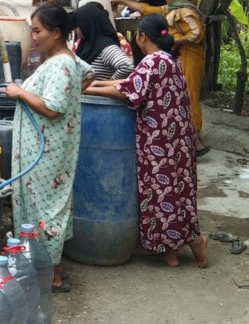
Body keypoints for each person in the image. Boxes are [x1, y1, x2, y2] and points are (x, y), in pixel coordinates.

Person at [84, 14, 208, 268]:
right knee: (177, 189)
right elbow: (130, 81)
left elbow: (128, 91)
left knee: (160, 191)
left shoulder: (152, 60)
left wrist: (85, 89)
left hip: (159, 141)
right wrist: (96, 83)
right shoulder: (168, 59)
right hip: (177, 140)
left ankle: (195, 242)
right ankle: (170, 251)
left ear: (142, 36)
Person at [4, 4, 94, 291]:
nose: (33, 36)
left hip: (47, 152)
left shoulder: (61, 64)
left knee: (45, 208)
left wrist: (19, 91)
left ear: (56, 33)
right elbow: (88, 74)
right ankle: (46, 267)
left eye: (38, 30)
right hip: (47, 149)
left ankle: (51, 275)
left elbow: (54, 109)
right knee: (44, 205)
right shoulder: (67, 60)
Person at [112, 0, 207, 153]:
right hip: (178, 56)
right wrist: (123, 1)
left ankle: (195, 138)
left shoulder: (186, 12)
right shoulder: (171, 9)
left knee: (190, 94)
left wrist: (174, 41)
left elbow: (196, 34)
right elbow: (147, 9)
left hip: (190, 57)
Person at [73, 2, 134, 80]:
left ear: (87, 24)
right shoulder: (85, 44)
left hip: (95, 91)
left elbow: (127, 66)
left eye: (77, 25)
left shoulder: (105, 46)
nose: (75, 29)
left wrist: (107, 84)